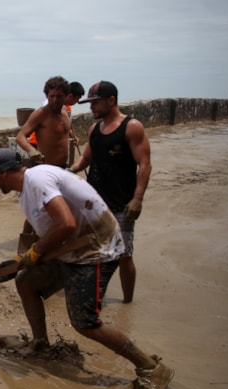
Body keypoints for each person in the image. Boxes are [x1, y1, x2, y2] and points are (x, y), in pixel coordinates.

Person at [0, 147, 173, 389]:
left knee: (85, 323)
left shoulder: (37, 179)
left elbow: (67, 224)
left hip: (96, 251)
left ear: (3, 174)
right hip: (72, 250)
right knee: (26, 282)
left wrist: (34, 254)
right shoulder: (26, 192)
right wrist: (20, 262)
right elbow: (48, 231)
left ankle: (151, 367)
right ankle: (40, 344)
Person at [70, 81, 151, 304]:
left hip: (122, 203)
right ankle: (94, 294)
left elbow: (144, 164)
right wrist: (69, 172)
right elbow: (86, 158)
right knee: (93, 251)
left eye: (95, 103)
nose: (91, 108)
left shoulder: (131, 127)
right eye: (90, 103)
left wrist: (137, 198)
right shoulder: (95, 129)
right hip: (96, 204)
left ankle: (127, 302)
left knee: (124, 255)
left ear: (111, 100)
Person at [17, 76, 75, 168]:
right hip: (45, 167)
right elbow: (20, 136)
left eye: (59, 96)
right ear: (47, 96)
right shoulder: (41, 114)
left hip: (62, 166)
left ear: (66, 96)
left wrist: (74, 136)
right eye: (52, 96)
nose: (55, 100)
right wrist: (31, 150)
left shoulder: (65, 111)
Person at [28, 81, 85, 150]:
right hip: (39, 142)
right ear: (71, 96)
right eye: (77, 99)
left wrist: (74, 136)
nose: (77, 102)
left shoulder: (68, 108)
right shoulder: (49, 104)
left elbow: (67, 125)